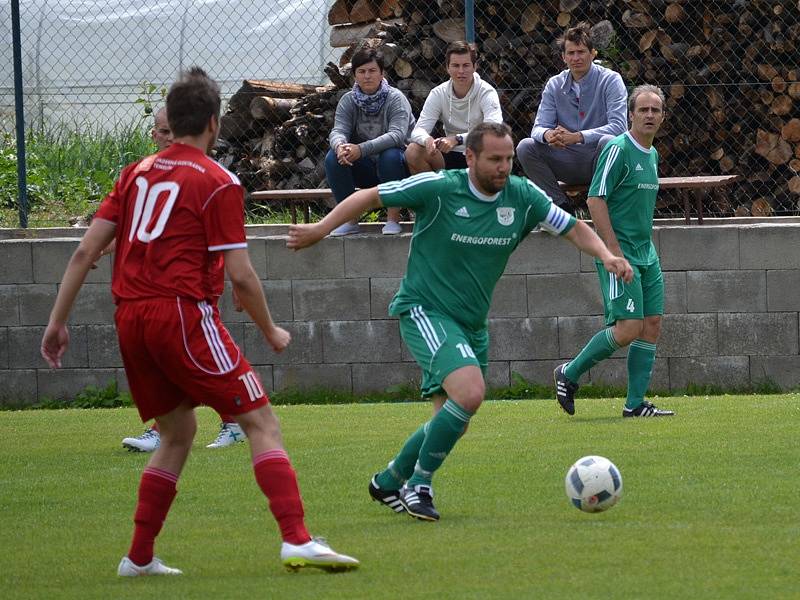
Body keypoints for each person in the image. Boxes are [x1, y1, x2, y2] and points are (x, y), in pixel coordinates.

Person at [41, 67, 359, 575]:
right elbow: (243, 276)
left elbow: (84, 251)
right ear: (213, 123)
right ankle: (297, 538)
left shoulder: (134, 173)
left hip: (130, 319)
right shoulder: (216, 180)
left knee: (176, 433)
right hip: (180, 314)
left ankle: (139, 558)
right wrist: (271, 329)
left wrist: (57, 322)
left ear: (174, 119)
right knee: (259, 419)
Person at [287, 122, 632, 521]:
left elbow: (571, 228)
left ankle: (387, 481)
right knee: (469, 394)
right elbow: (369, 195)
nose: (504, 167)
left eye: (508, 160)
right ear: (469, 157)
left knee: (452, 419)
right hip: (425, 310)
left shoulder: (521, 196)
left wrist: (606, 256)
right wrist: (319, 230)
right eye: (494, 160)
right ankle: (419, 485)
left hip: (470, 323)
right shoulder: (439, 187)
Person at [121, 107, 245, 452]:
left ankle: (231, 421)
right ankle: (195, 424)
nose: (161, 138)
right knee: (181, 355)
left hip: (193, 284)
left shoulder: (204, 176)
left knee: (197, 356)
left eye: (166, 131)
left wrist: (238, 279)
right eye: (158, 132)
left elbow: (228, 237)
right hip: (162, 285)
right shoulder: (148, 175)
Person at [554, 84, 674, 418]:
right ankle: (570, 373)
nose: (649, 115)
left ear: (662, 116)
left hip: (647, 254)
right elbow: (595, 199)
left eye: (655, 110)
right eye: (643, 110)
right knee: (627, 328)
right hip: (620, 255)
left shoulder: (652, 154)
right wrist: (613, 252)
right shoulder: (618, 149)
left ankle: (635, 405)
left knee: (651, 324)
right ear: (630, 114)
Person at [516, 22, 627, 214]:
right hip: (565, 159)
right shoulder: (554, 84)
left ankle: (602, 204)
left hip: (598, 160)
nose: (576, 58)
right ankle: (560, 206)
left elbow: (619, 127)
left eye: (581, 52)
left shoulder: (611, 80)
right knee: (525, 146)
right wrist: (549, 135)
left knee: (610, 142)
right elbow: (538, 128)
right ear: (563, 57)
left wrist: (578, 136)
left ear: (593, 54)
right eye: (571, 53)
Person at [326, 47, 416, 236]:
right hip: (366, 168)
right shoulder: (348, 100)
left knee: (390, 154)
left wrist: (361, 149)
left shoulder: (395, 98)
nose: (367, 76)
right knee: (333, 157)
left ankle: (393, 219)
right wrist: (340, 146)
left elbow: (397, 135)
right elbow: (338, 130)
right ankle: (349, 220)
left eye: (372, 71)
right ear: (355, 76)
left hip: (398, 168)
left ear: (382, 73)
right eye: (362, 71)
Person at [405, 41, 502, 175]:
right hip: (449, 154)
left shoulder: (486, 92)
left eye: (466, 65)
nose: (461, 71)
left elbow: (494, 130)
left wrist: (458, 139)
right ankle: (435, 195)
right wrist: (427, 140)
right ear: (447, 68)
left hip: (479, 154)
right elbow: (418, 130)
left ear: (475, 67)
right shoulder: (438, 93)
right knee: (413, 151)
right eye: (456, 65)